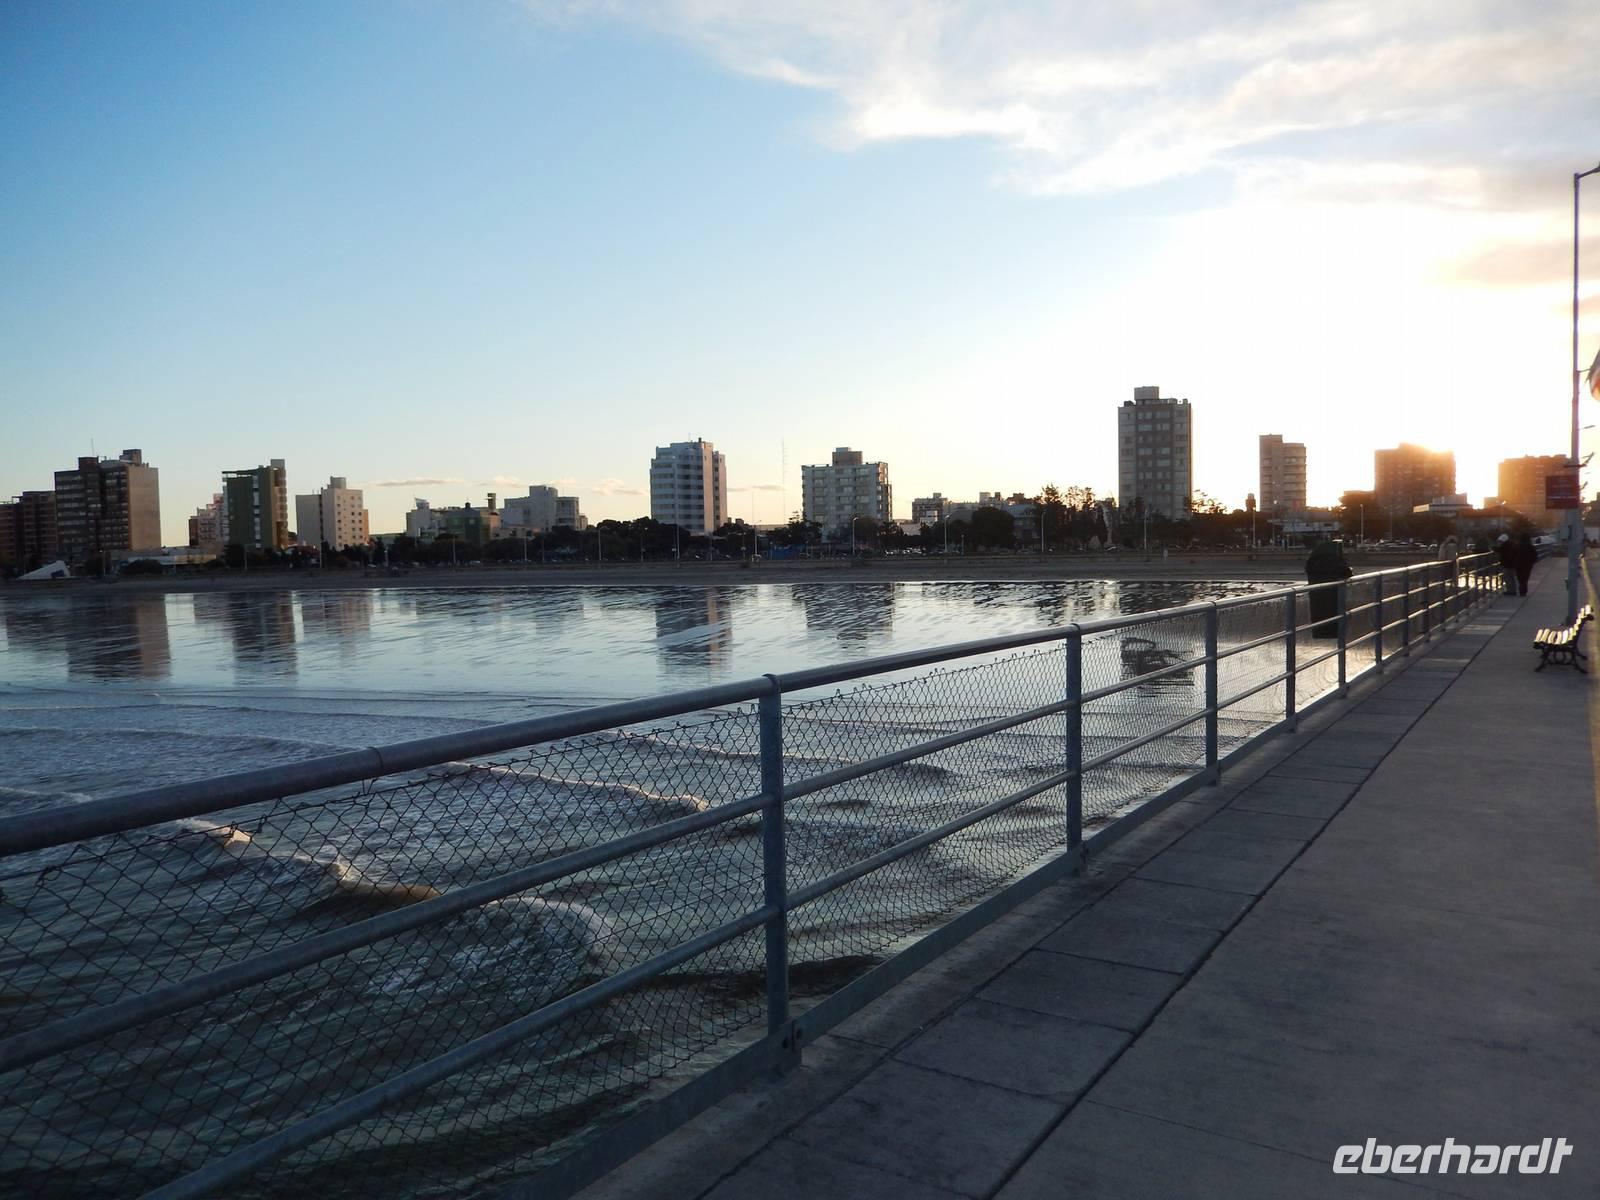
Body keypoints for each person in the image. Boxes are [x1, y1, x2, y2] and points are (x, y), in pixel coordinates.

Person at [1305, 539, 1352, 637]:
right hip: (1333, 596)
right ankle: (1335, 635)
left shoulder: (1313, 560)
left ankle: (1321, 632)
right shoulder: (1335, 560)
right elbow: (1346, 573)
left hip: (1317, 596)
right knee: (1335, 618)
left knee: (1320, 618)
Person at [1511, 532, 1537, 597]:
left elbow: (1513, 554)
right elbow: (1534, 555)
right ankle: (1523, 591)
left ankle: (1522, 589)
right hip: (1527, 564)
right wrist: (1532, 562)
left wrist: (1514, 562)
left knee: (1520, 578)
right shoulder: (1530, 546)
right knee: (1525, 577)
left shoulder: (1517, 545)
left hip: (1518, 564)